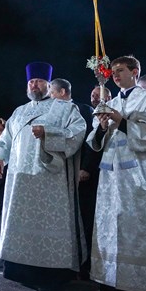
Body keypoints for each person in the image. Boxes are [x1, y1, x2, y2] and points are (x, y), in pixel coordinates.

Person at [88, 56, 146, 291]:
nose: (115, 75)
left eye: (120, 70)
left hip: (141, 175)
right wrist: (102, 127)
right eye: (113, 71)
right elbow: (95, 139)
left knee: (139, 227)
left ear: (135, 72)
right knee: (111, 226)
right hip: (111, 177)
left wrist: (122, 122)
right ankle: (112, 285)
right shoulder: (111, 102)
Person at [0, 62, 87, 291]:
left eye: (39, 81)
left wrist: (48, 133)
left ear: (48, 84)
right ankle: (18, 270)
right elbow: (6, 139)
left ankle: (51, 276)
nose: (34, 85)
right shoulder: (19, 112)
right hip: (20, 179)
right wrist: (0, 157)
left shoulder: (64, 108)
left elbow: (77, 132)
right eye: (31, 82)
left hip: (49, 179)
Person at [51, 78, 100, 280]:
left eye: (52, 93)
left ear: (62, 92)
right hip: (58, 176)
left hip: (81, 175)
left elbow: (91, 140)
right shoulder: (49, 111)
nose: (50, 97)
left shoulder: (83, 109)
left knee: (84, 220)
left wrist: (85, 167)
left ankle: (85, 267)